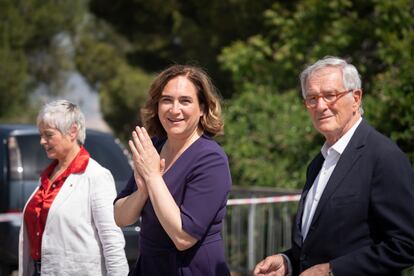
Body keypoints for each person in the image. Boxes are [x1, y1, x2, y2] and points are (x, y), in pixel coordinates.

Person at [254, 56, 414, 276]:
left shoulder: (383, 157)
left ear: (356, 98)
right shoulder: (318, 163)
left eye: (330, 95)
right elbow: (325, 243)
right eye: (312, 98)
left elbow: (406, 244)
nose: (321, 106)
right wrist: (288, 262)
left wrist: (333, 271)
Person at [114, 65, 232, 275]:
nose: (174, 109)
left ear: (203, 108)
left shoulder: (211, 159)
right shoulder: (154, 148)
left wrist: (152, 177)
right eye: (167, 100)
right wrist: (142, 192)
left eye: (185, 101)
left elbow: (183, 237)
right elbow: (120, 217)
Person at [19, 100, 129, 276]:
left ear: (72, 132)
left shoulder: (96, 176)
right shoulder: (47, 176)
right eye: (41, 135)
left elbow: (112, 241)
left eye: (48, 135)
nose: (42, 141)